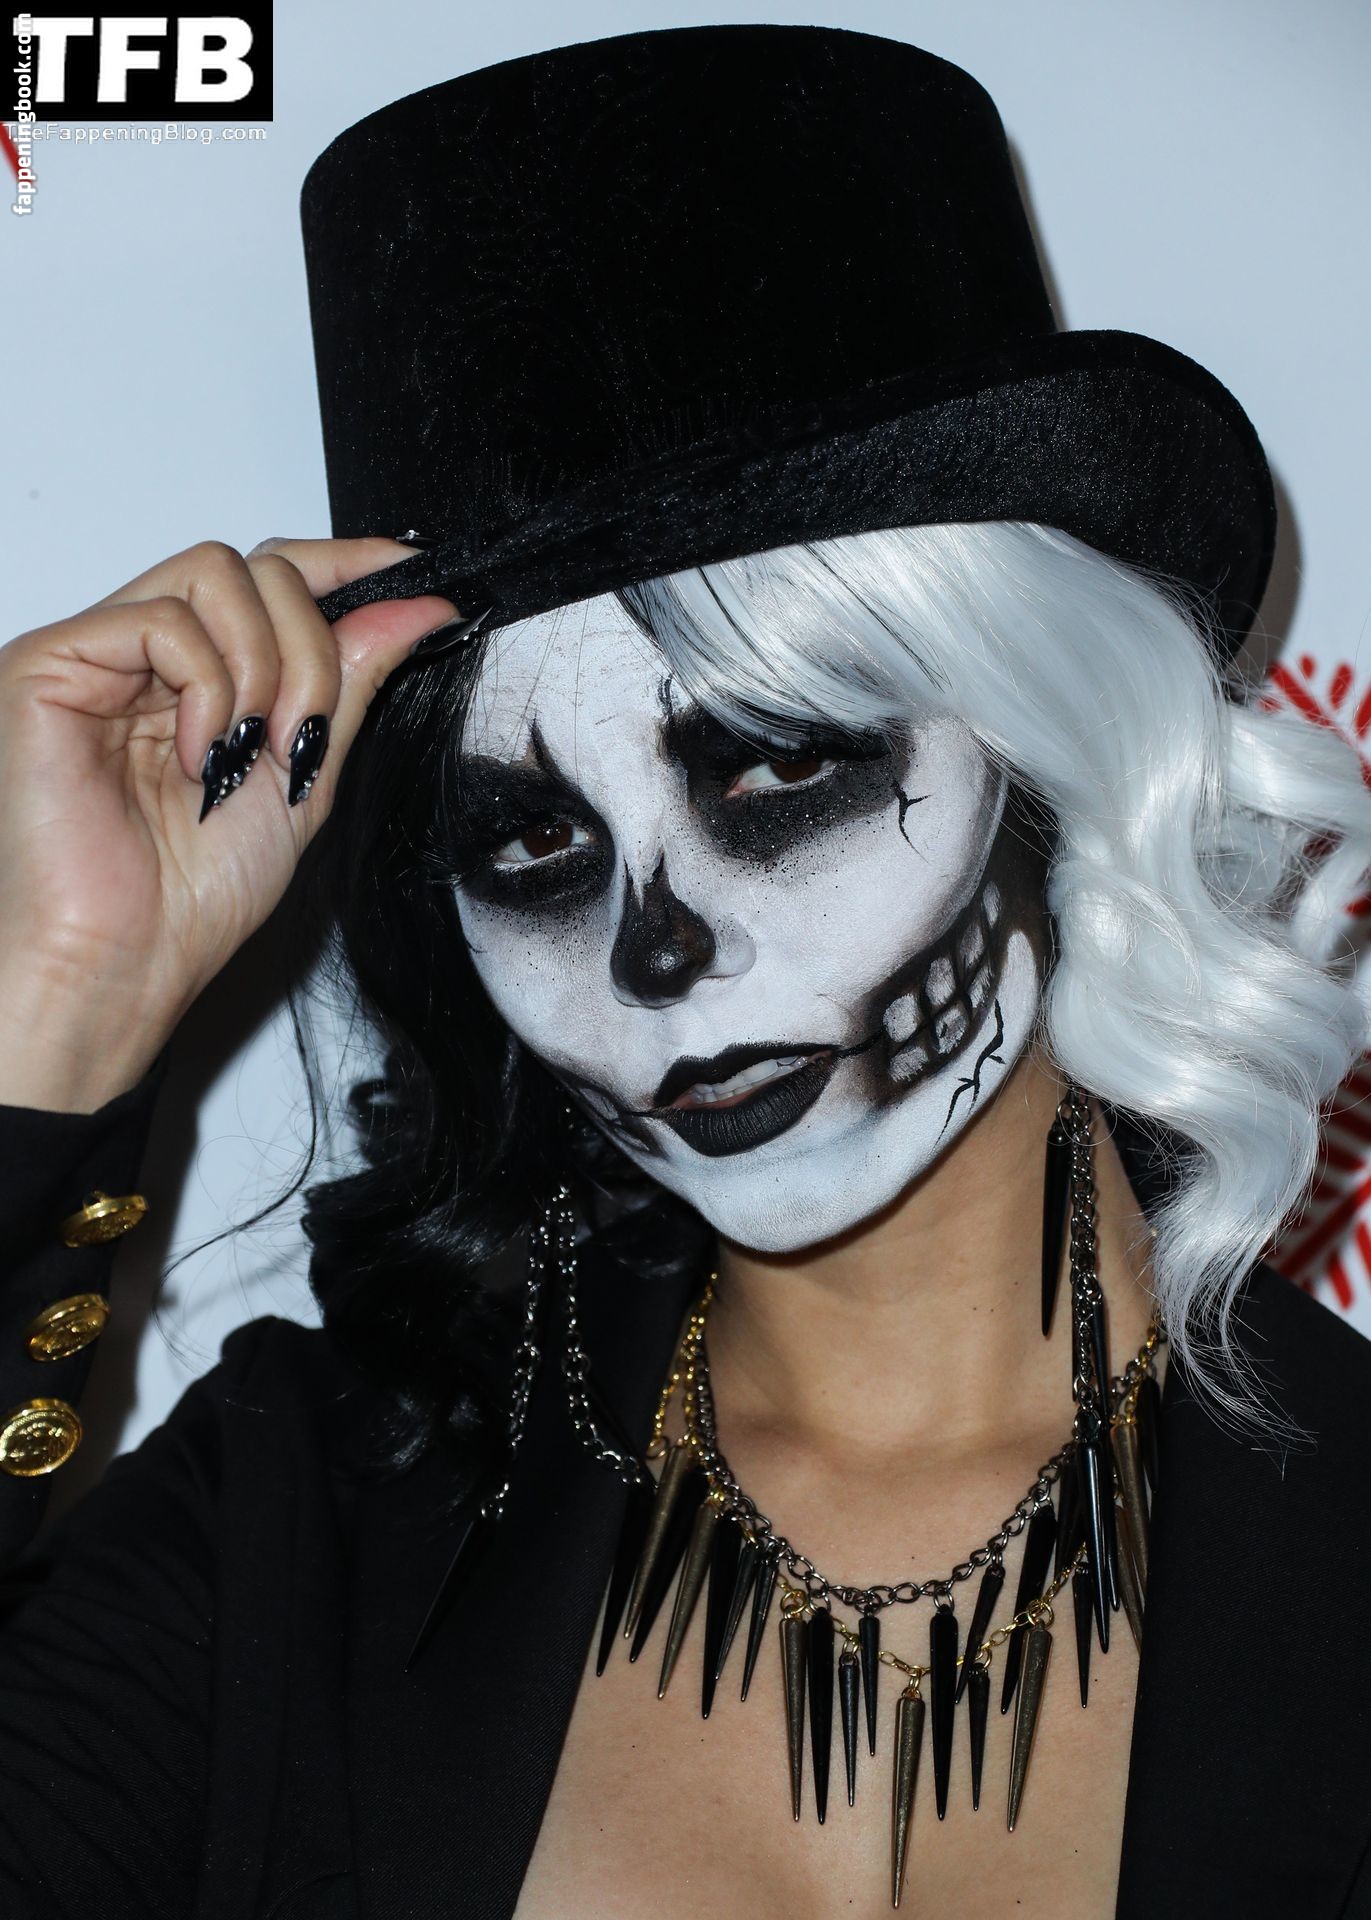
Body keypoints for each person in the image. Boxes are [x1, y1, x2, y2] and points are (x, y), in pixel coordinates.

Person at [1, 24, 1370, 1920]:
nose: (656, 952)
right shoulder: (298, 1521)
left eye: (780, 768)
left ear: (1053, 750)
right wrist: (57, 1005)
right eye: (532, 846)